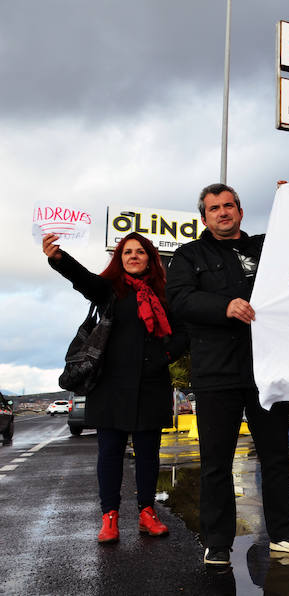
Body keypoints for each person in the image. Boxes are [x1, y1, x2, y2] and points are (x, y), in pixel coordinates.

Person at [167, 183, 289, 565]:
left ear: (241, 210)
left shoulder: (265, 247)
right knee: (216, 462)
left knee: (276, 457)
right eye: (214, 208)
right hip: (216, 373)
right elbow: (180, 300)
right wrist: (224, 305)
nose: (223, 212)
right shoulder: (188, 255)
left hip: (267, 369)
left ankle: (284, 534)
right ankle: (217, 542)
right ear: (204, 217)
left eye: (229, 205)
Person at [42, 231, 187, 543]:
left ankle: (147, 513)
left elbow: (181, 334)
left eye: (139, 251)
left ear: (151, 257)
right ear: (119, 259)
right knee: (109, 454)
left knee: (149, 454)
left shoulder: (165, 294)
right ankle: (110, 517)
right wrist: (58, 258)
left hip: (150, 385)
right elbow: (84, 279)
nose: (133, 256)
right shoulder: (109, 291)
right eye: (127, 252)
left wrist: (164, 355)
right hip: (109, 386)